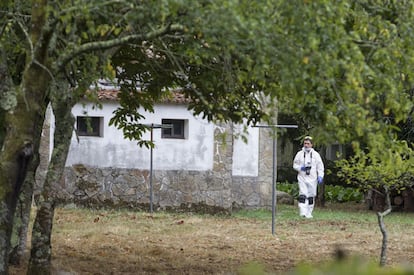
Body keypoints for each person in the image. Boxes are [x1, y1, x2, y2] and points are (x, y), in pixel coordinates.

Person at [293, 136, 324, 218]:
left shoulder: (316, 155)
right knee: (303, 194)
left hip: (312, 178)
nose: (306, 145)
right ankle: (302, 212)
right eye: (305, 143)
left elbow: (320, 167)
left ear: (311, 145)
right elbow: (294, 165)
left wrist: (320, 176)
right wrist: (301, 168)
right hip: (302, 177)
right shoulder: (299, 154)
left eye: (308, 144)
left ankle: (309, 212)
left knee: (311, 195)